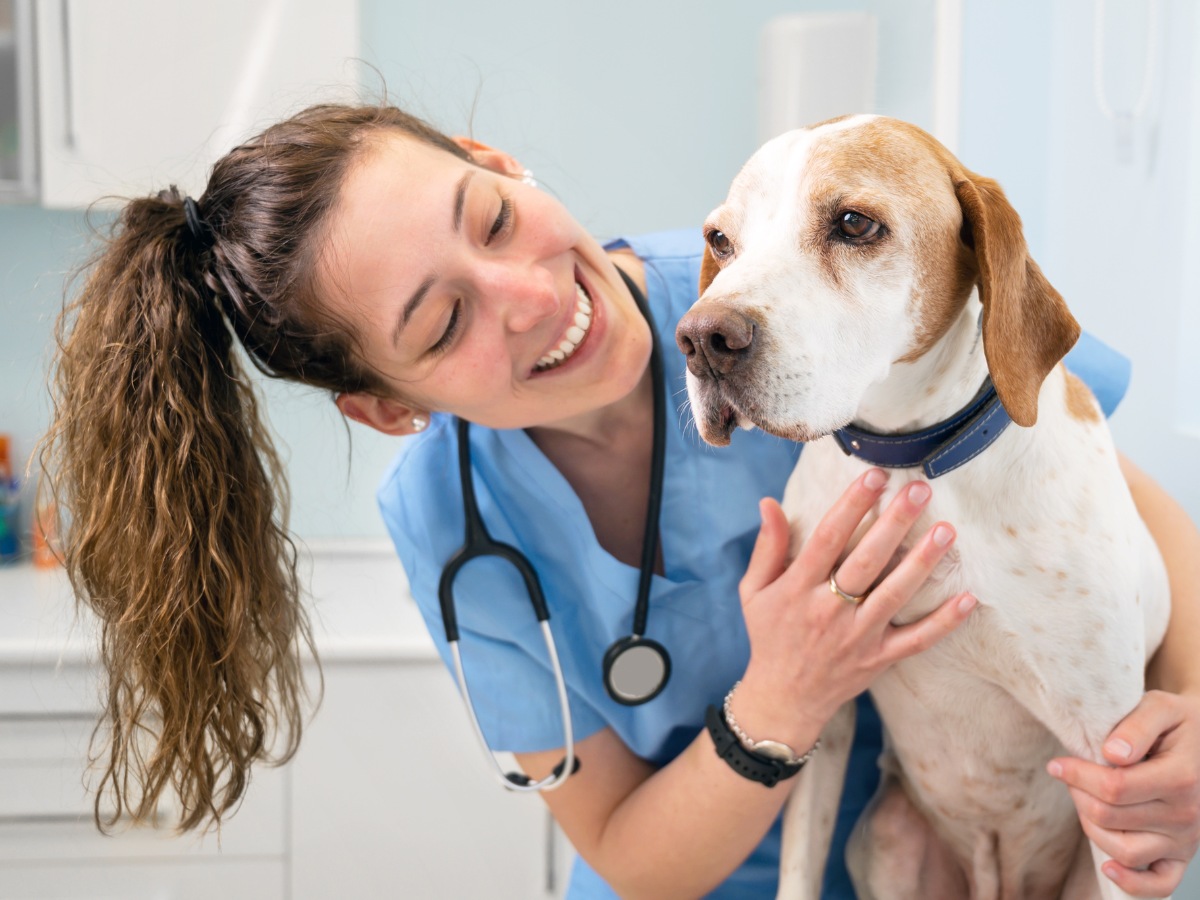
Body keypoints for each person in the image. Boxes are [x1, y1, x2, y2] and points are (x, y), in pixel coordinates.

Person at [43, 102, 1200, 898]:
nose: (531, 296)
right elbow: (631, 859)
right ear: (390, 408)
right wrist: (784, 694)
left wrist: (1191, 721)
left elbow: (1117, 512)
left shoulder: (761, 310)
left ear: (499, 162)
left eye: (490, 221)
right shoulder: (452, 524)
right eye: (442, 324)